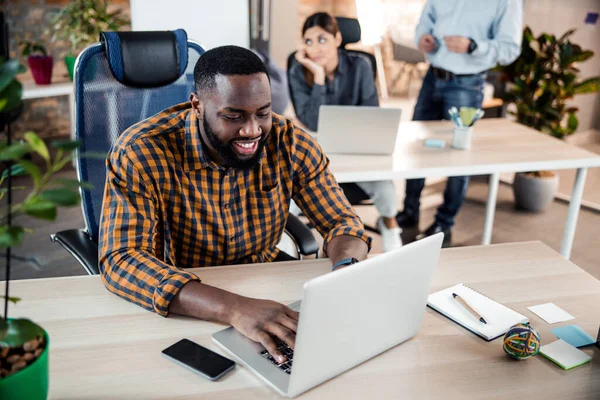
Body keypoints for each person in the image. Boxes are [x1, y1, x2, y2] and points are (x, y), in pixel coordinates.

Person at [98, 46, 371, 364]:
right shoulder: (140, 152)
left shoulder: (288, 141)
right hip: (187, 301)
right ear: (197, 106)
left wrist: (345, 272)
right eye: (233, 116)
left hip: (267, 285)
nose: (252, 130)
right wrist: (235, 308)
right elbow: (121, 260)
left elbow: (342, 221)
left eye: (263, 113)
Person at [396, 0, 523, 247]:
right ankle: (409, 211)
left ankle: (444, 223)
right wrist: (422, 37)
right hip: (432, 76)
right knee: (416, 146)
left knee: (460, 155)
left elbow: (510, 48)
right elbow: (426, 21)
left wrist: (474, 46)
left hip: (467, 83)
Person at [289, 12, 402, 253]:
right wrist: (318, 78)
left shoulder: (360, 65)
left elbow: (371, 114)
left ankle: (390, 227)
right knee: (288, 201)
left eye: (322, 39)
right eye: (308, 42)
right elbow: (311, 121)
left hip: (355, 148)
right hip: (316, 149)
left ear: (337, 38)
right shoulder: (299, 71)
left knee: (386, 190)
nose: (315, 48)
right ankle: (294, 240)